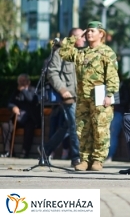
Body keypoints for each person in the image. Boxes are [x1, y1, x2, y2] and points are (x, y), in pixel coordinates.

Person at [59, 22, 119, 171]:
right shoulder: (81, 53)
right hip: (83, 98)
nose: (89, 34)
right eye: (88, 32)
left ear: (101, 34)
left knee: (100, 129)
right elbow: (64, 52)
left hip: (100, 97)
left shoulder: (107, 52)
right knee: (82, 128)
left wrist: (109, 94)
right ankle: (85, 159)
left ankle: (98, 160)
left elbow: (112, 76)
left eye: (92, 31)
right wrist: (76, 36)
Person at [43, 27, 83, 166]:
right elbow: (52, 72)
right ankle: (76, 158)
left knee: (67, 126)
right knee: (74, 125)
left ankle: (45, 150)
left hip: (82, 97)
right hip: (68, 96)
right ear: (72, 37)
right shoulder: (61, 52)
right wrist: (62, 90)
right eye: (80, 36)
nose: (84, 38)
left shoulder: (83, 53)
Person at [3, 74, 40, 158]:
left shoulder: (33, 90)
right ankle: (8, 151)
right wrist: (13, 107)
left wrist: (23, 90)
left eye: (23, 81)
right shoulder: (16, 92)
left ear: (28, 82)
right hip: (18, 117)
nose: (21, 83)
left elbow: (31, 100)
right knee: (6, 126)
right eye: (19, 81)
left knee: (29, 128)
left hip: (30, 118)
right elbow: (9, 103)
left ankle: (24, 152)